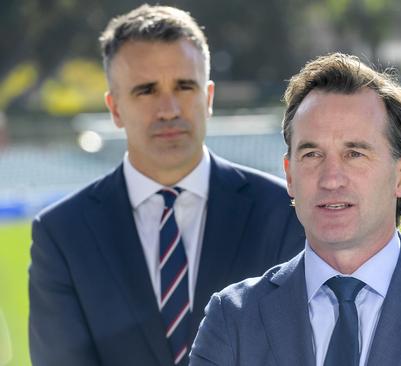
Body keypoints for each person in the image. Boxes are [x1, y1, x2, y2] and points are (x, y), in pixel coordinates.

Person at [190, 53, 401, 366]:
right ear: (290, 176)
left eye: (355, 154)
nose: (331, 179)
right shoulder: (232, 316)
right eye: (312, 155)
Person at [28, 5, 304, 366]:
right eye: (146, 90)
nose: (169, 108)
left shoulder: (284, 213)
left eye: (184, 86)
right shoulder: (61, 235)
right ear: (114, 108)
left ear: (208, 97)